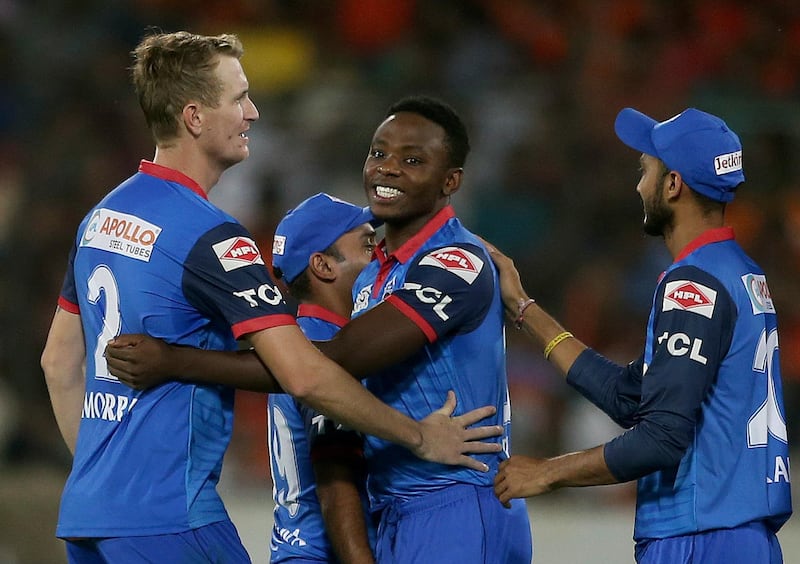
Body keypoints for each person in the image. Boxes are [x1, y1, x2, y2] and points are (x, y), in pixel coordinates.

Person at [40, 31, 500, 564]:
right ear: (194, 117)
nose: (253, 113)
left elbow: (57, 363)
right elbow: (303, 375)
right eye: (238, 98)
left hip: (89, 517)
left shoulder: (102, 217)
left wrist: (104, 483)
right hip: (170, 517)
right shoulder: (211, 237)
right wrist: (418, 437)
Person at [488, 107, 792, 563]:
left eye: (644, 170)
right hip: (736, 535)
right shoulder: (738, 273)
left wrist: (549, 472)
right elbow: (632, 397)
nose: (637, 185)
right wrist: (524, 308)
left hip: (702, 535)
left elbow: (661, 437)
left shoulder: (692, 286)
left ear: (673, 185)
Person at [268, 192, 378, 563]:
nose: (380, 256)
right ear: (324, 265)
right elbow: (335, 483)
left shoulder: (300, 340)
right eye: (367, 245)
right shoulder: (324, 350)